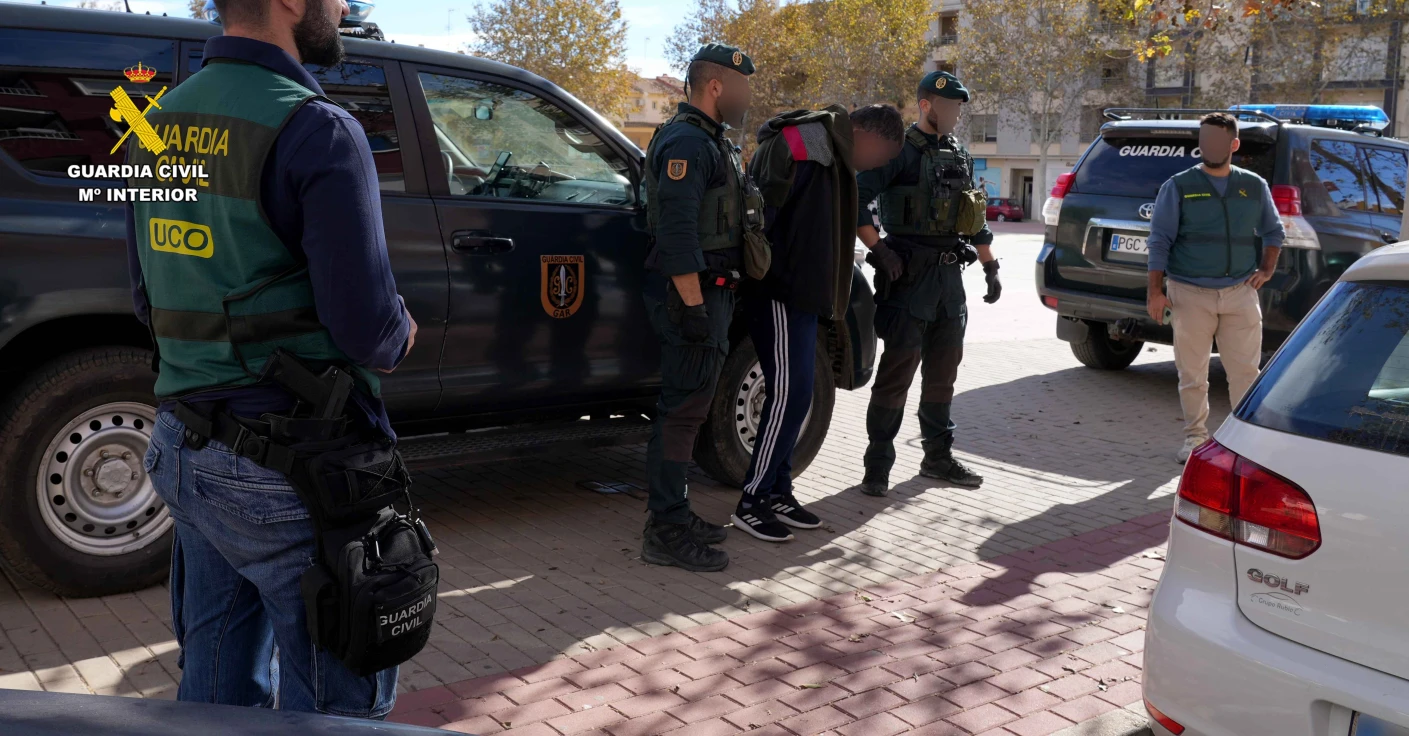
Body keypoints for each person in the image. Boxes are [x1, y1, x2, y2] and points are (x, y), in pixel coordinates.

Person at [124, 0, 416, 716]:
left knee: (216, 688)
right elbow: (368, 329)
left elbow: (145, 296)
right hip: (290, 471)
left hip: (183, 447)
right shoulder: (317, 129)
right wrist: (403, 330)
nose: (343, 6)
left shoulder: (151, 126)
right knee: (339, 702)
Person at [732, 104, 904, 541]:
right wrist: (772, 275)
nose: (876, 165)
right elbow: (762, 217)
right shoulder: (806, 143)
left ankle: (777, 491)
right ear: (865, 134)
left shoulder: (834, 153)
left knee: (800, 395)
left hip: (804, 294)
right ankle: (752, 501)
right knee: (789, 396)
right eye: (881, 156)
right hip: (780, 290)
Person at [855, 71, 1001, 497]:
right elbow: (857, 200)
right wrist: (879, 250)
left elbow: (975, 218)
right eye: (949, 107)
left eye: (958, 108)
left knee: (943, 374)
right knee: (897, 372)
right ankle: (877, 465)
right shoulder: (899, 151)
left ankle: (937, 457)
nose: (955, 114)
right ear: (925, 105)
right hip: (907, 276)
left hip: (949, 279)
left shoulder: (959, 153)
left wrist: (990, 267)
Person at [640, 43, 756, 571]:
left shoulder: (712, 141)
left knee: (690, 409)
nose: (746, 96)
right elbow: (678, 231)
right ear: (716, 86)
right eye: (741, 86)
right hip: (693, 293)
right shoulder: (689, 141)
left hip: (712, 291)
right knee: (682, 413)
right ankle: (664, 530)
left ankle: (675, 513)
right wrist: (692, 306)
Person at [1146, 112, 1284, 463]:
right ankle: (1195, 438)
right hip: (1189, 292)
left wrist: (1266, 269)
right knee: (1192, 374)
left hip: (1240, 293)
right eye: (1205, 139)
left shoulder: (1253, 186)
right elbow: (1159, 240)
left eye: (1218, 140)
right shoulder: (1178, 186)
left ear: (1233, 144)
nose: (1210, 145)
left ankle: (1243, 441)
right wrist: (1155, 291)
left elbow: (1274, 232)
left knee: (1245, 374)